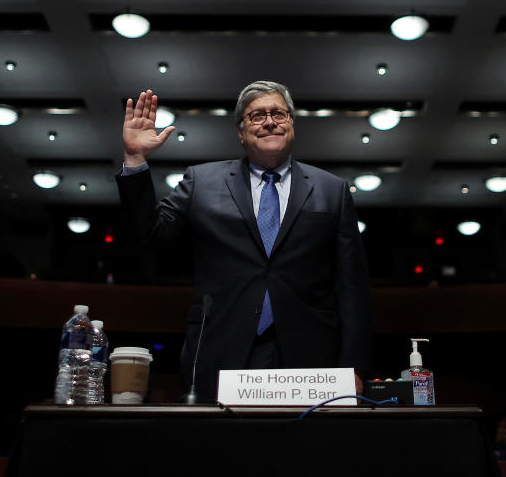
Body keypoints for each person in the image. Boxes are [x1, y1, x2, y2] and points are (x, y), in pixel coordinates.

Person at [116, 83, 372, 400]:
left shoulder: (332, 190)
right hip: (221, 350)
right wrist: (135, 158)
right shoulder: (201, 182)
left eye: (279, 113)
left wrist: (355, 366)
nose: (269, 121)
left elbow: (353, 287)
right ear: (241, 131)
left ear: (291, 123)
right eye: (257, 115)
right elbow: (148, 235)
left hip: (311, 356)